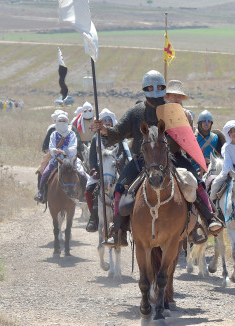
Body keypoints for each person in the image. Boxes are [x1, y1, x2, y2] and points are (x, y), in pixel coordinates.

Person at [95, 70, 221, 248]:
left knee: (197, 182)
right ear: (145, 88)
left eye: (159, 86)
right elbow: (118, 132)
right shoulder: (136, 112)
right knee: (119, 187)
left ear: (163, 88)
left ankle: (207, 219)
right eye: (151, 87)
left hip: (173, 158)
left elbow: (186, 138)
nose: (155, 90)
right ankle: (118, 229)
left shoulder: (173, 111)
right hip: (141, 160)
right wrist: (105, 130)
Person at [84, 108, 127, 233]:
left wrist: (119, 161)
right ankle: (93, 217)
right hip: (100, 170)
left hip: (116, 169)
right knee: (88, 191)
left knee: (129, 190)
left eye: (109, 120)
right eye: (105, 121)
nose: (107, 123)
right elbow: (92, 156)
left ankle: (128, 218)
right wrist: (93, 169)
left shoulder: (119, 137)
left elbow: (123, 153)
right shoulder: (95, 138)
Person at [35, 112, 81, 203]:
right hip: (57, 158)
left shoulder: (71, 133)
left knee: (82, 172)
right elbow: (51, 146)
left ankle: (83, 194)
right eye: (60, 121)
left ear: (67, 122)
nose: (62, 123)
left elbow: (74, 145)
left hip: (70, 158)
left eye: (64, 121)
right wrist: (55, 151)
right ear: (57, 122)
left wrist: (66, 151)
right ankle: (41, 192)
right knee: (45, 173)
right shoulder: (53, 134)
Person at [194, 110, 225, 177]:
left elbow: (220, 156)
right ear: (200, 123)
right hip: (194, 168)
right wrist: (201, 160)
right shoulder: (193, 137)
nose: (206, 124)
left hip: (211, 169)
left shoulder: (216, 138)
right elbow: (187, 156)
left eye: (209, 122)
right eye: (204, 121)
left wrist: (211, 161)